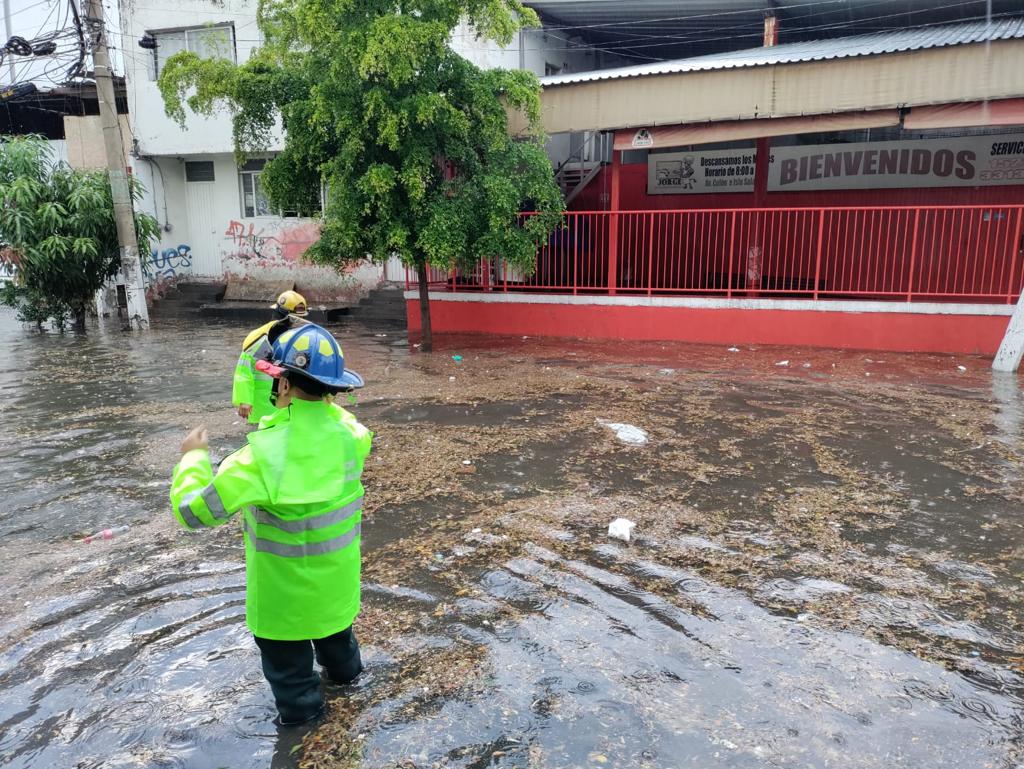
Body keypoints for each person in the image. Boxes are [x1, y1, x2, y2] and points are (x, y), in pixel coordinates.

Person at [171, 323, 371, 725]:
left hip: (283, 608)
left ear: (280, 385)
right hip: (336, 595)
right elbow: (329, 418)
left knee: (295, 690)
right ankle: (353, 711)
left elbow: (193, 512)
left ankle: (304, 741)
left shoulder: (257, 460)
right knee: (344, 663)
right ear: (334, 389)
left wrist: (192, 458)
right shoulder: (354, 436)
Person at [232, 290, 310, 425]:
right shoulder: (258, 339)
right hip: (262, 404)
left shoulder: (295, 338)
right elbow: (243, 371)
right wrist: (244, 400)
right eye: (294, 318)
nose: (295, 322)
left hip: (286, 402)